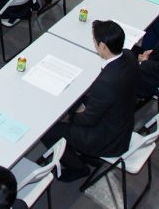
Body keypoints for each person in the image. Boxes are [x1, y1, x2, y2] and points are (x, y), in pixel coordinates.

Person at [38, 20, 138, 181]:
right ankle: (81, 152)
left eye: (95, 42)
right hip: (122, 122)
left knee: (48, 130)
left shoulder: (106, 82)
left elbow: (87, 120)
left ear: (103, 46)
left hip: (108, 138)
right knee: (77, 104)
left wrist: (73, 113)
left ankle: (77, 168)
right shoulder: (129, 56)